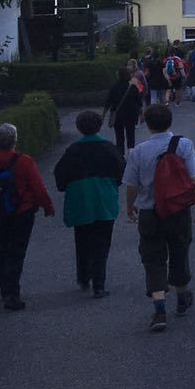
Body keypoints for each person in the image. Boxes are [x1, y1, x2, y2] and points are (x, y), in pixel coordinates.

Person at [123, 104, 195, 333]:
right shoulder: (184, 145)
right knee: (179, 250)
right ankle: (182, 297)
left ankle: (159, 309)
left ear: (147, 124)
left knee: (152, 257)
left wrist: (130, 206)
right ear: (170, 121)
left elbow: (131, 184)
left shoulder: (138, 151)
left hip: (150, 212)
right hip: (177, 210)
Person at [0, 123, 56, 310]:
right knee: (16, 252)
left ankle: (3, 285)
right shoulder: (24, 161)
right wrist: (47, 206)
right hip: (22, 213)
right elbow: (38, 187)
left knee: (1, 249)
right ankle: (12, 294)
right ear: (14, 140)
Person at [53, 110, 124, 299]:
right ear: (99, 126)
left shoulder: (73, 150)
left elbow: (60, 175)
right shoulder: (109, 148)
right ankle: (99, 284)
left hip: (80, 199)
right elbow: (121, 170)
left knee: (82, 239)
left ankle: (83, 277)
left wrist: (67, 186)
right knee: (102, 241)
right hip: (104, 198)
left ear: (79, 128)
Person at [104, 64, 144, 150]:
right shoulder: (132, 87)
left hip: (118, 115)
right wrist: (141, 114)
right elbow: (138, 101)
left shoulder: (114, 87)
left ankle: (120, 153)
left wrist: (103, 114)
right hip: (131, 114)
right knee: (131, 135)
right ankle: (131, 152)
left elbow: (108, 102)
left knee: (119, 137)